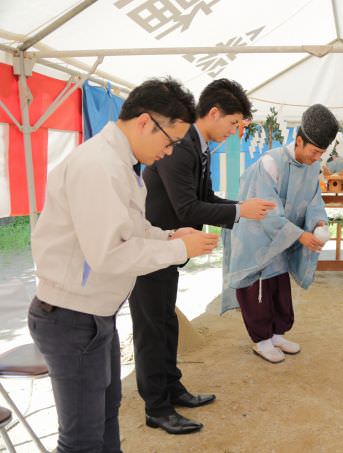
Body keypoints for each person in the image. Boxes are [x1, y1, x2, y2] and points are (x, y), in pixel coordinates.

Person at [27, 78, 219, 452]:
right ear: (145, 122)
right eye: (169, 142)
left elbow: (132, 230)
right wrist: (179, 250)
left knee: (105, 416)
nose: (168, 152)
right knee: (81, 438)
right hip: (71, 316)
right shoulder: (99, 166)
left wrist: (169, 238)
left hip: (92, 315)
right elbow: (110, 254)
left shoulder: (117, 163)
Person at [128, 79, 276, 434]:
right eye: (233, 122)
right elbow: (187, 207)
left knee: (165, 322)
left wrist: (242, 209)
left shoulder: (198, 145)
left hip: (170, 248)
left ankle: (172, 387)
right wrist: (240, 212)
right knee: (151, 328)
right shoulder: (180, 146)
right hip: (150, 248)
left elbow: (205, 196)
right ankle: (157, 407)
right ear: (214, 113)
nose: (235, 131)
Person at [227, 104, 338, 363]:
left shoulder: (313, 166)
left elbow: (313, 201)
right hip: (256, 236)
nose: (315, 158)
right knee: (259, 288)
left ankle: (276, 334)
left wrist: (319, 222)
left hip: (283, 236)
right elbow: (266, 210)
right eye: (313, 152)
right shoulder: (270, 163)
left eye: (321, 153)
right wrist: (300, 236)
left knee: (278, 285)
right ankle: (261, 340)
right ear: (299, 141)